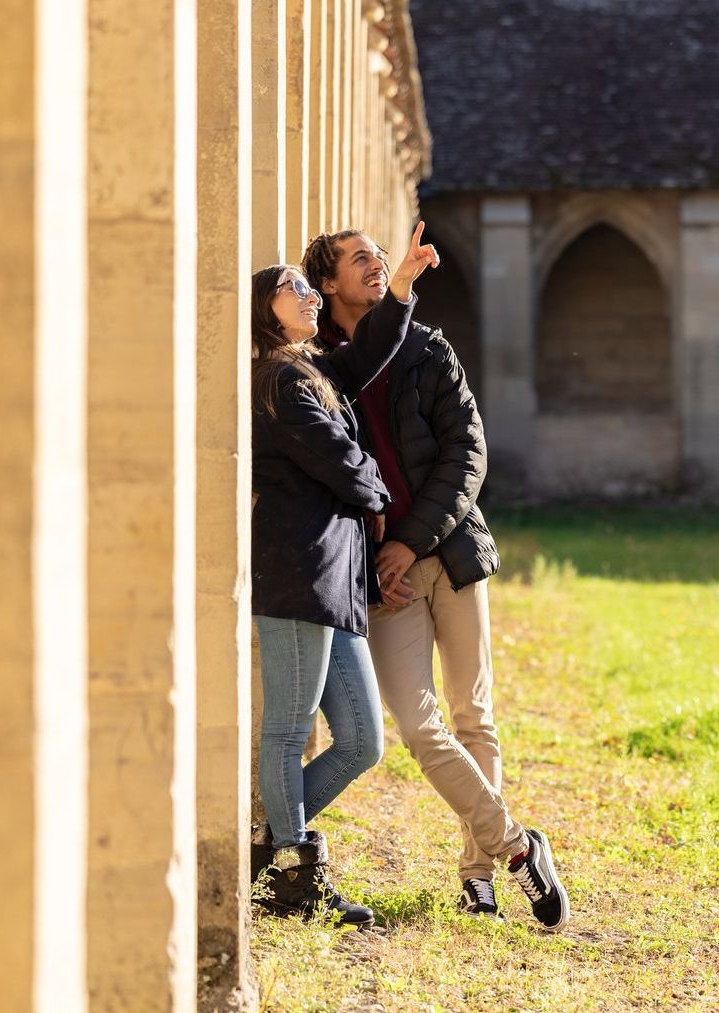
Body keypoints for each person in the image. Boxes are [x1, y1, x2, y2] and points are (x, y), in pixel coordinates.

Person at [301, 228, 568, 930]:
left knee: (473, 714)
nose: (376, 262)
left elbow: (467, 455)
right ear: (327, 283)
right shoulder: (323, 371)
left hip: (449, 553)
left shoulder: (428, 348)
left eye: (377, 256)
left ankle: (478, 876)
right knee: (420, 727)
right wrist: (374, 557)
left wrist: (409, 541)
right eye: (359, 258)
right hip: (382, 579)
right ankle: (518, 846)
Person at [249, 222, 438, 923]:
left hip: (335, 579)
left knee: (362, 740)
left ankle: (273, 850)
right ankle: (292, 868)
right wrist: (382, 495)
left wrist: (399, 288)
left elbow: (370, 354)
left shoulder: (316, 370)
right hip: (298, 572)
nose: (305, 293)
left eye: (305, 285)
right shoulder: (277, 384)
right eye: (290, 288)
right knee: (288, 728)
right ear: (265, 313)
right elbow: (343, 463)